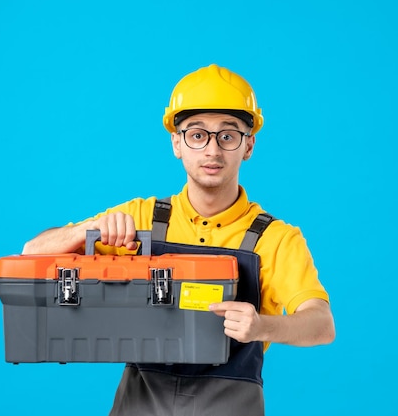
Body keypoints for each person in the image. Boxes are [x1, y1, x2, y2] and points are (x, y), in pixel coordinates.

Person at [22, 64, 335, 416]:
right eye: (197, 135)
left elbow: (322, 325)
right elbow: (31, 252)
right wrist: (85, 231)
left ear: (248, 145)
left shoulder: (276, 239)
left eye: (228, 136)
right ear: (177, 143)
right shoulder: (141, 218)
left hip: (230, 403)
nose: (212, 151)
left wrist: (263, 326)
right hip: (141, 400)